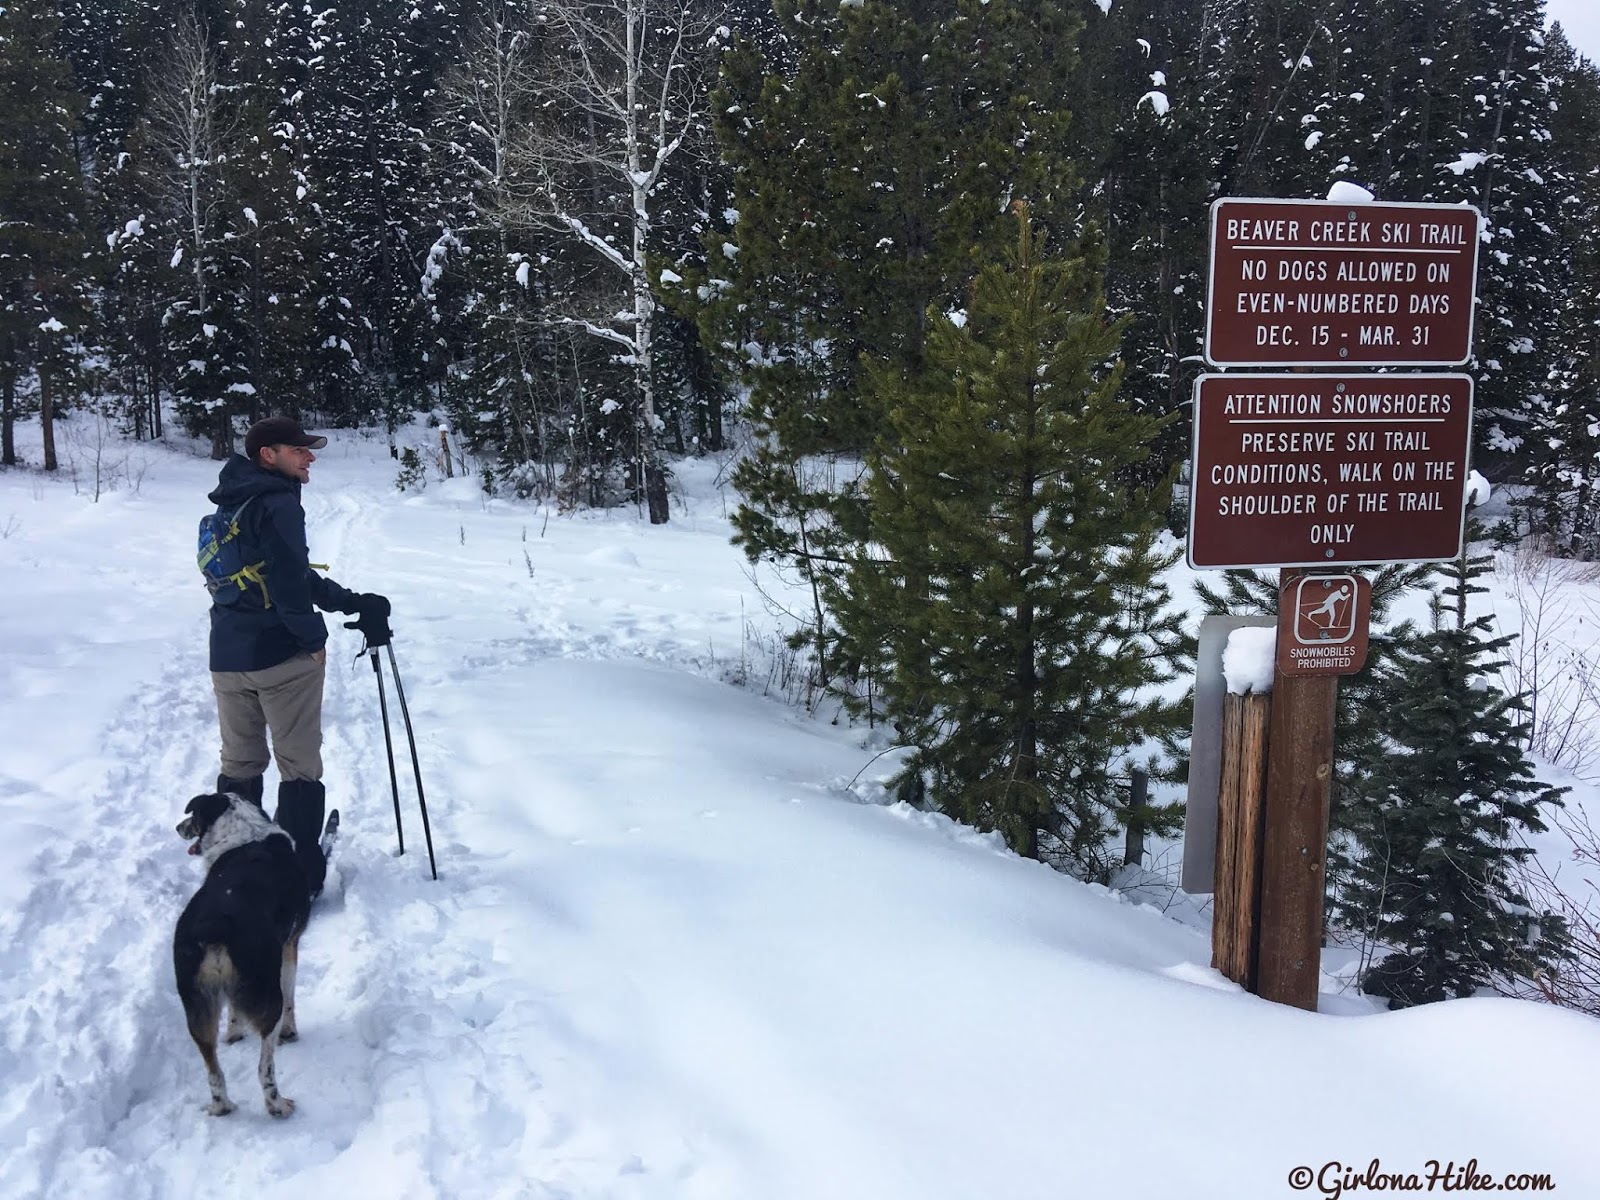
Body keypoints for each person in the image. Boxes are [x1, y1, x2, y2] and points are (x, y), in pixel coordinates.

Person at [205, 415, 391, 897]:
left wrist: (350, 600)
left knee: (241, 762)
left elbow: (281, 574)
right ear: (269, 455)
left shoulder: (234, 500)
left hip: (227, 656)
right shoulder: (279, 504)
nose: (310, 457)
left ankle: (236, 861)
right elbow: (289, 586)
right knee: (299, 765)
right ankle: (298, 875)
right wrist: (313, 640)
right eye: (300, 450)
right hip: (281, 658)